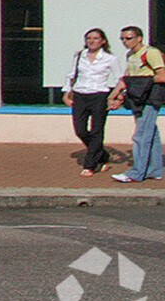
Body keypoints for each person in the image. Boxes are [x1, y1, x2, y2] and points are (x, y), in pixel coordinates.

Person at [110, 24, 165, 185]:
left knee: (141, 135)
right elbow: (127, 77)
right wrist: (114, 95)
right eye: (122, 39)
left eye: (129, 38)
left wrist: (142, 81)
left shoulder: (151, 53)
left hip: (150, 97)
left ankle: (136, 173)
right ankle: (155, 170)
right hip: (137, 98)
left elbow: (162, 76)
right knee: (151, 133)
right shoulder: (131, 55)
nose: (125, 42)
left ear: (139, 38)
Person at [64, 27, 118, 175]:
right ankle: (103, 155)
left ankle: (90, 165)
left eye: (95, 38)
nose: (92, 41)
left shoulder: (110, 59)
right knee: (80, 130)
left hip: (99, 95)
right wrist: (66, 92)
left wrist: (117, 97)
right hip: (80, 95)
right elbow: (71, 74)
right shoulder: (79, 55)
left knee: (97, 130)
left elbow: (119, 79)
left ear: (103, 41)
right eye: (89, 38)